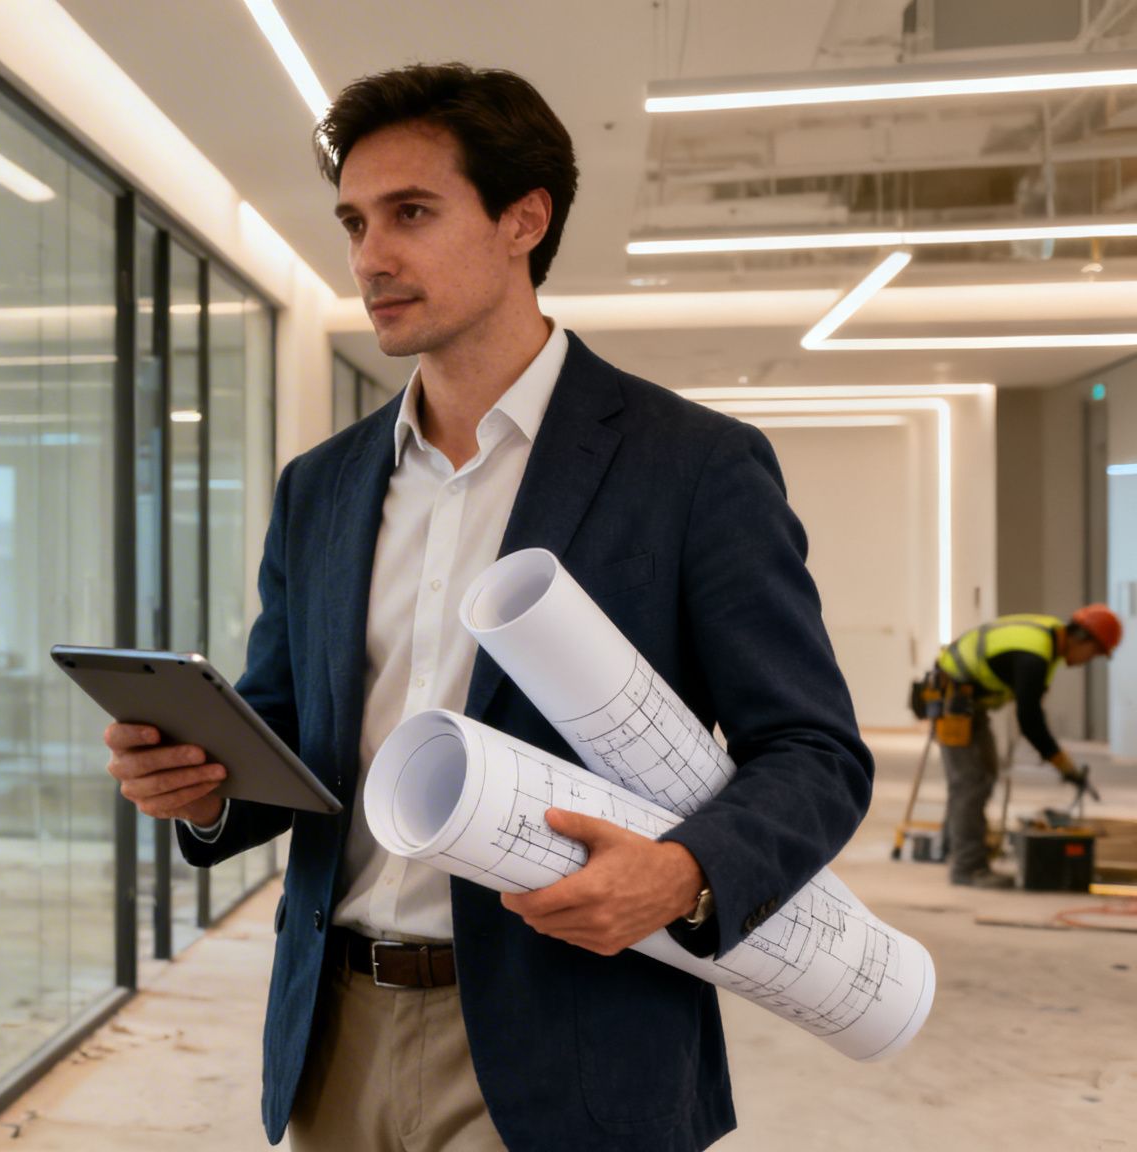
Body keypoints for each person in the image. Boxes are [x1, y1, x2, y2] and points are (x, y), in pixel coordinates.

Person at [104, 64, 871, 1151]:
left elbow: (811, 750)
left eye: (410, 213)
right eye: (353, 221)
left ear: (523, 219)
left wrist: (683, 874)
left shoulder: (690, 468)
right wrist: (202, 789)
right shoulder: (317, 488)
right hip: (336, 1029)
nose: (369, 257)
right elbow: (291, 740)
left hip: (575, 1033)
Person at [934, 607, 1119, 887]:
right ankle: (967, 868)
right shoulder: (1036, 655)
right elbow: (1030, 719)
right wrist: (1064, 765)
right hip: (954, 702)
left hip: (968, 702)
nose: (1086, 662)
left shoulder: (1050, 638)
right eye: (1093, 654)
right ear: (1083, 638)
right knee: (970, 784)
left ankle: (951, 848)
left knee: (979, 778)